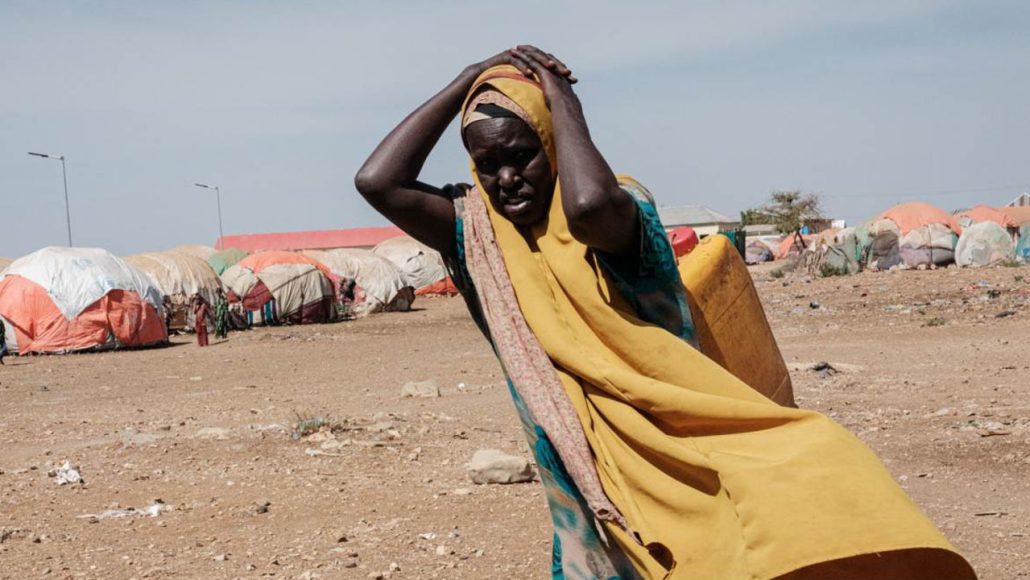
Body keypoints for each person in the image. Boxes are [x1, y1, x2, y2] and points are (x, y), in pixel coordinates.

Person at [355, 46, 974, 579]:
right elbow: (378, 181)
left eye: (524, 154)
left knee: (748, 534)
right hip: (580, 464)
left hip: (681, 445)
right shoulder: (479, 235)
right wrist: (471, 75)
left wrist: (561, 101)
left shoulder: (624, 209)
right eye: (487, 165)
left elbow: (592, 204)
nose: (507, 177)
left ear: (552, 140)